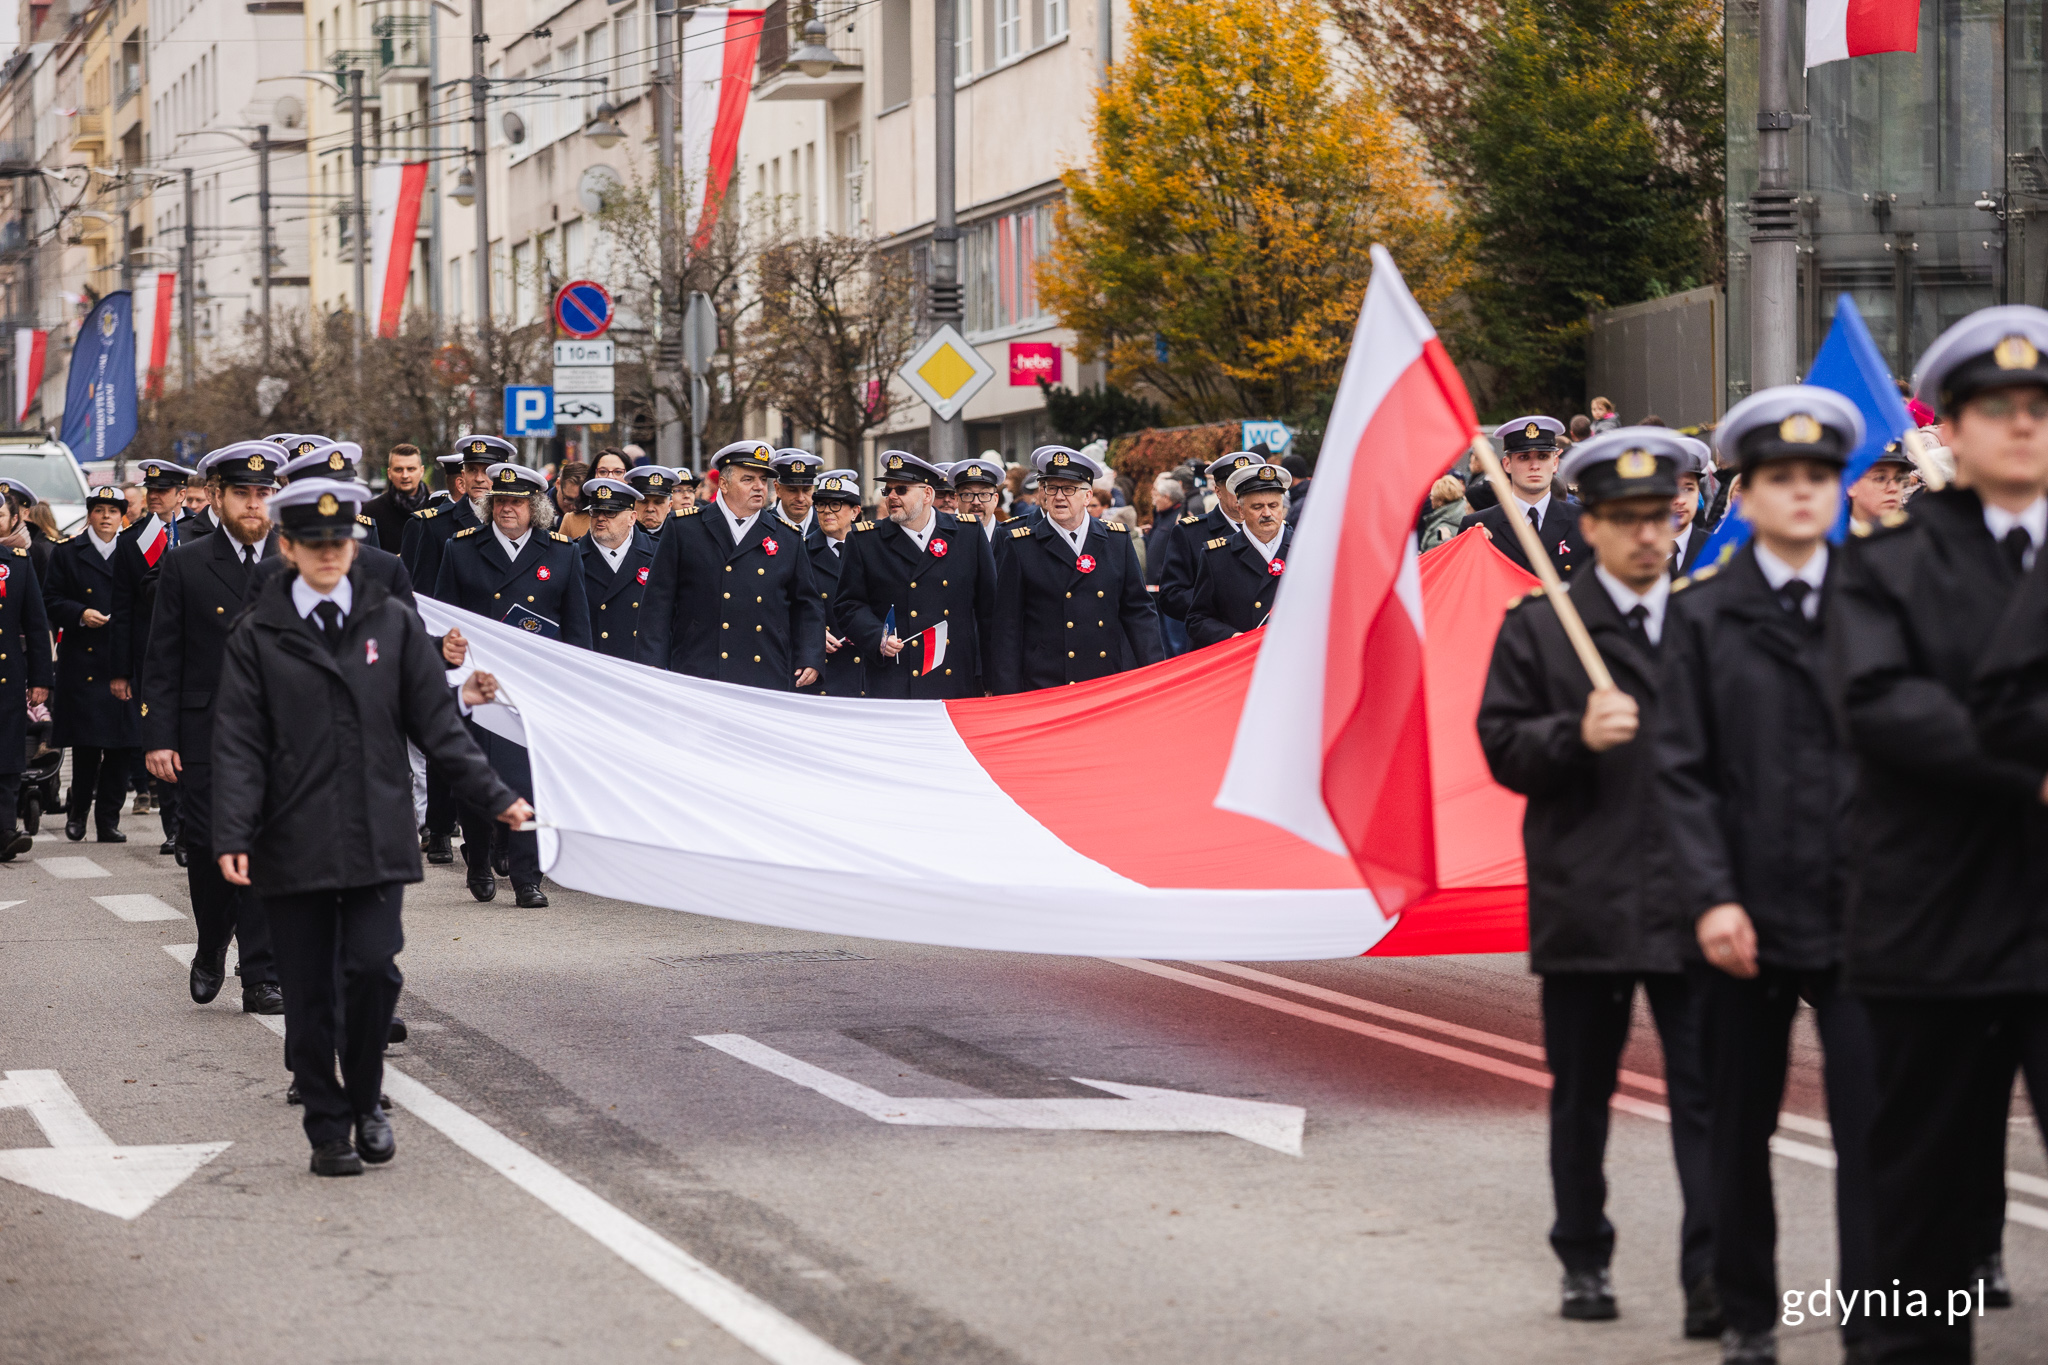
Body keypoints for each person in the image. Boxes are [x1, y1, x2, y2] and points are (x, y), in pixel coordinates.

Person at [1835, 307, 2048, 1363]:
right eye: (1991, 408)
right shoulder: (1885, 562)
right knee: (1917, 1225)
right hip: (1935, 930)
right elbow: (1877, 706)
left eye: (2037, 408)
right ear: (1947, 429)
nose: (2018, 426)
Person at [212, 476, 529, 1177]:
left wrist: (498, 796)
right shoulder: (257, 632)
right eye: (315, 544)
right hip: (290, 836)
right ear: (288, 547)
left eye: (341, 543)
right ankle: (327, 1125)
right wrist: (232, 833)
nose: (330, 555)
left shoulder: (388, 621)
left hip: (376, 830)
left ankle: (367, 1098)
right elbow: (236, 741)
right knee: (309, 990)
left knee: (372, 970)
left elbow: (437, 725)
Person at [1476, 427, 1717, 1338]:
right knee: (1582, 1093)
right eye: (1626, 519)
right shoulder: (1542, 625)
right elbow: (1500, 744)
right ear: (1592, 523)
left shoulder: (1706, 620)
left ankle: (1710, 1271)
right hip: (1587, 895)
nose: (1648, 534)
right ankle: (1584, 1255)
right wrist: (1575, 733)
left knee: (1705, 1095)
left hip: (1694, 895)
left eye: (1659, 515)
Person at [1657, 388, 1877, 1365]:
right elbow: (1677, 771)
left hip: (1865, 916)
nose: (1799, 495)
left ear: (1837, 491)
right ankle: (1749, 1316)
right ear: (1740, 497)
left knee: (1877, 1134)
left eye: (1816, 478)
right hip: (1735, 919)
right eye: (1777, 479)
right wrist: (1708, 896)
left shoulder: (1885, 601)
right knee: (1736, 1130)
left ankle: (1883, 1319)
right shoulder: (1700, 617)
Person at [140, 442, 285, 1014]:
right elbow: (163, 658)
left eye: (263, 494)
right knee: (205, 851)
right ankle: (210, 944)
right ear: (218, 499)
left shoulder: (295, 558)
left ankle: (262, 973)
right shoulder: (186, 562)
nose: (254, 505)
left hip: (277, 737)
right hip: (205, 734)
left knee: (265, 849)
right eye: (243, 494)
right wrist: (158, 737)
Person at [434, 462, 589, 907]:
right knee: (476, 778)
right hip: (480, 684)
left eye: (517, 502)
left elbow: (578, 628)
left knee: (529, 779)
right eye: (500, 501)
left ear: (535, 507)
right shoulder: (461, 549)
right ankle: (479, 859)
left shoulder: (562, 552)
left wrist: (574, 683)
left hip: (535, 686)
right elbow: (444, 623)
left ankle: (527, 877)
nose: (507, 509)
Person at [634, 440, 824, 692]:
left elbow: (806, 604)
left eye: (763, 480)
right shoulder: (685, 529)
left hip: (764, 670)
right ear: (723, 484)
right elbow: (658, 601)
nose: (759, 487)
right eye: (748, 479)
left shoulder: (786, 536)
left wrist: (810, 655)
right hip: (699, 669)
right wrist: (652, 662)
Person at [991, 445, 1161, 694]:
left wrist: (1156, 673)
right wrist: (1008, 693)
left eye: (1069, 489)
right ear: (1043, 493)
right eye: (1052, 488)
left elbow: (1138, 613)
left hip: (1104, 680)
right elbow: (1007, 627)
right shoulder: (1021, 545)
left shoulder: (1115, 541)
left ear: (1088, 495)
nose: (1059, 496)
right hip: (1045, 683)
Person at [832, 451, 996, 699]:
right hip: (894, 679)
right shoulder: (865, 540)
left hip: (954, 678)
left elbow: (989, 612)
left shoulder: (967, 534)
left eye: (902, 490)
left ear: (927, 494)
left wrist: (991, 679)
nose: (892, 497)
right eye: (888, 491)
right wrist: (878, 637)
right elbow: (848, 604)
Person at [110, 458, 201, 857]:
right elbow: (123, 608)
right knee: (161, 735)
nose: (155, 497)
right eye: (150, 492)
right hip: (153, 655)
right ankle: (174, 826)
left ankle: (193, 821)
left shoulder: (202, 532)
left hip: (198, 654)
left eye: (163, 491)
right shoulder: (132, 541)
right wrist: (120, 671)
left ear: (182, 494)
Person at [46, 485, 136, 842]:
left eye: (112, 512)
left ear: (122, 516)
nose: (105, 518)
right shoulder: (68, 553)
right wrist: (80, 613)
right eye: (99, 511)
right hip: (82, 660)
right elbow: (49, 599)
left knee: (121, 747)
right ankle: (78, 814)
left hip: (122, 658)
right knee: (86, 747)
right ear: (90, 515)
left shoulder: (132, 551)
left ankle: (108, 821)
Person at [1156, 452, 1267, 646]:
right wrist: (1217, 602)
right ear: (1218, 491)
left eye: (1249, 486)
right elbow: (1171, 596)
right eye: (1236, 487)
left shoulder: (1276, 531)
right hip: (1215, 645)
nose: (1244, 494)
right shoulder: (1191, 533)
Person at [1460, 416, 1586, 579]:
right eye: (1524, 457)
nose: (1534, 466)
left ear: (1555, 463)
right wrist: (1472, 549)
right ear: (1507, 464)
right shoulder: (1478, 526)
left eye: (1543, 457)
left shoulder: (1583, 521)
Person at [1187, 462, 1295, 645]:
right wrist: (1232, 638)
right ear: (1241, 511)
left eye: (1273, 505)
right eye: (1257, 507)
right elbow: (1197, 619)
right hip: (1242, 662)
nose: (1267, 513)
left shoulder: (1304, 550)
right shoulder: (1217, 557)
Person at [399, 435, 507, 596]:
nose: (479, 479)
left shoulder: (516, 522)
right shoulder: (436, 526)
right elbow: (424, 593)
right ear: (462, 477)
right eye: (472, 470)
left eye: (486, 471)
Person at [578, 477, 656, 662]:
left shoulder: (658, 553)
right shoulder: (573, 555)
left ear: (632, 518)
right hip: (593, 662)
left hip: (641, 663)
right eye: (596, 511)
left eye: (611, 512)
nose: (601, 518)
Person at [810, 469, 866, 697]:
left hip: (865, 666)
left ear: (855, 511)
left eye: (835, 505)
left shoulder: (873, 548)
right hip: (825, 670)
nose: (826, 512)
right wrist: (813, 634)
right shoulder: (802, 551)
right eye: (821, 505)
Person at [364, 443, 432, 551]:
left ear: (421, 471)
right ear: (389, 473)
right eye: (399, 470)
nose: (405, 475)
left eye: (411, 469)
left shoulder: (436, 506)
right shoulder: (371, 511)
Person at [1844, 442, 1914, 531]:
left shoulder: (1912, 536)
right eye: (1880, 478)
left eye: (1898, 478)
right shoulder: (1830, 537)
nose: (1894, 488)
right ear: (1850, 484)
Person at [1671, 437, 1712, 577]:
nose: (1680, 500)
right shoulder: (1634, 552)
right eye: (1671, 490)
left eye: (1688, 489)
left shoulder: (1715, 549)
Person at [951, 457, 1006, 543]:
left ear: (995, 499)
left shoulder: (1008, 539)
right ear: (956, 499)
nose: (976, 502)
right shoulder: (946, 538)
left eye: (984, 494)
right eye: (968, 494)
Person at [770, 449, 824, 534]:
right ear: (778, 489)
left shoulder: (826, 527)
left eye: (806, 490)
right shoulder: (763, 526)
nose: (800, 498)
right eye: (792, 490)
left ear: (814, 488)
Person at [624, 465, 677, 539]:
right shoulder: (622, 532)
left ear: (669, 506)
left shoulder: (678, 534)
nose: (650, 509)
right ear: (633, 504)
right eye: (643, 502)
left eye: (658, 502)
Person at [1420, 474, 1469, 551]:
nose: (1430, 498)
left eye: (1432, 495)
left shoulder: (1441, 528)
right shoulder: (1465, 512)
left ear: (1440, 501)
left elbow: (1432, 556)